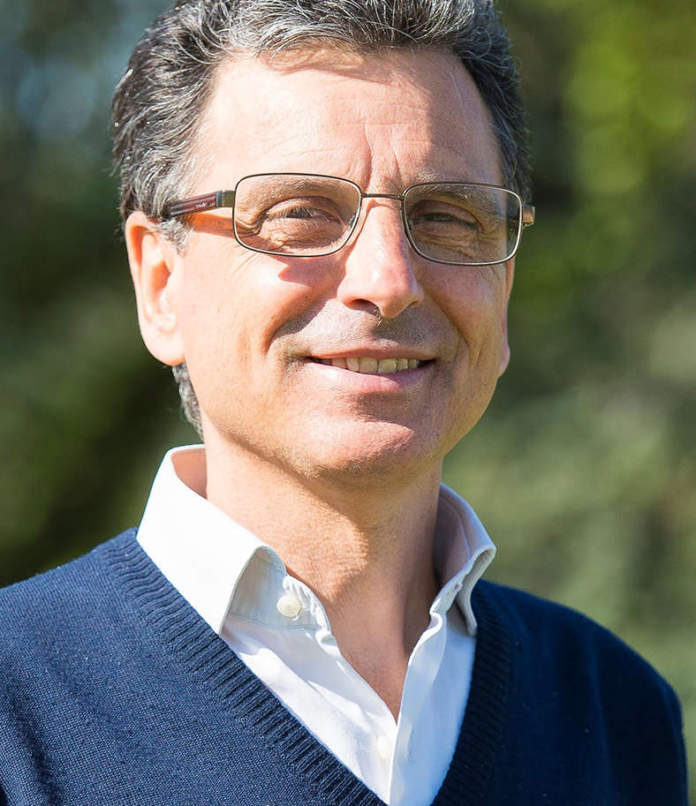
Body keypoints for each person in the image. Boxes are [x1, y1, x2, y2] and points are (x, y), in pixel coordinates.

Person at [0, 0, 688, 803]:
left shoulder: (615, 713)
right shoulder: (18, 710)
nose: (388, 281)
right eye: (298, 214)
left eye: (447, 216)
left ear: (503, 289)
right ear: (160, 286)